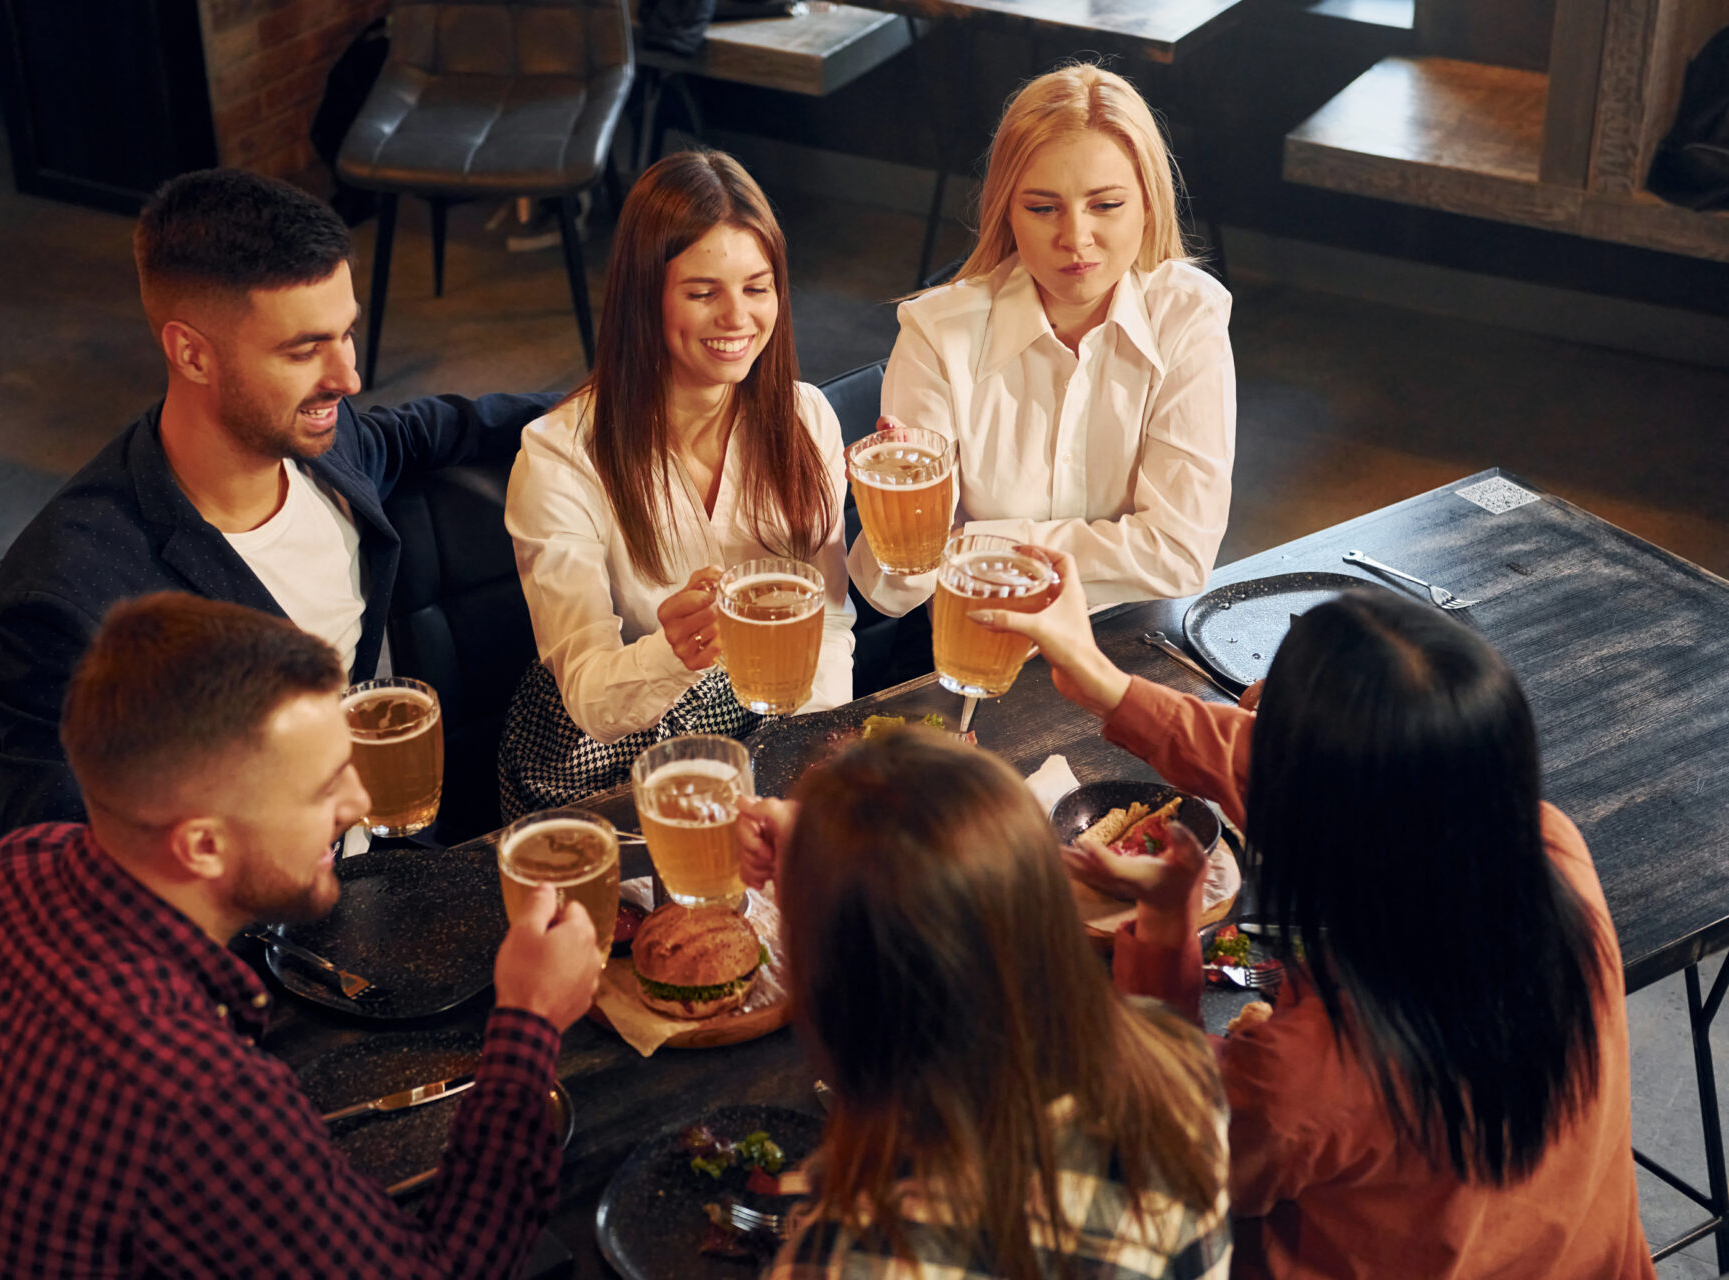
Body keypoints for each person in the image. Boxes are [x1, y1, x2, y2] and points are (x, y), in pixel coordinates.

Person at [0, 593, 601, 1277]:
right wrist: (527, 1027)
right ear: (202, 845)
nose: (360, 802)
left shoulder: (3, 872)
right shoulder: (191, 1101)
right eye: (324, 786)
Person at [980, 553, 1655, 1278]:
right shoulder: (1550, 849)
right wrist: (1106, 685)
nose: (1253, 704)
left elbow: (1166, 1141)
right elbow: (1344, 782)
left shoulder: (1307, 1077)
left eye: (1265, 712)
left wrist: (1164, 927)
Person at [0, 167, 558, 836]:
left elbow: (435, 428)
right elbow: (60, 868)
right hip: (251, 928)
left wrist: (624, 400)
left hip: (391, 859)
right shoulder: (67, 597)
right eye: (304, 350)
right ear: (191, 354)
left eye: (345, 332)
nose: (348, 376)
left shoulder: (332, 451)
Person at [734, 729, 1230, 1280]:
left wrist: (823, 889)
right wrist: (830, 861)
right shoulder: (1181, 1068)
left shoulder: (846, 1259)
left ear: (837, 1002)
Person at [501, 150, 851, 816]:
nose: (738, 318)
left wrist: (808, 765)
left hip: (761, 732)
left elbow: (829, 623)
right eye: (701, 293)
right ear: (644, 297)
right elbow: (589, 694)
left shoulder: (807, 418)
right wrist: (675, 652)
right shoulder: (556, 459)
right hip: (603, 760)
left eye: (757, 287)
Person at [854, 64, 1235, 620]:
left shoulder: (1190, 316)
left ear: (1149, 203)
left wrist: (972, 542)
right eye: (1042, 208)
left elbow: (1179, 556)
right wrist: (908, 517)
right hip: (978, 637)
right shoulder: (936, 334)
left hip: (1133, 636)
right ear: (1006, 210)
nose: (1075, 238)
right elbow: (893, 589)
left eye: (1106, 205)